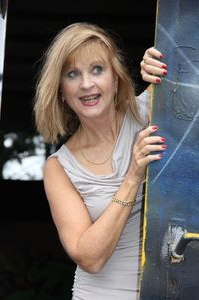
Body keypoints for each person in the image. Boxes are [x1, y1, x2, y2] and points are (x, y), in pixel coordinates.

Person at [34, 22, 167, 300]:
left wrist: (164, 64)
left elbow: (190, 73)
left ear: (115, 77)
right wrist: (133, 177)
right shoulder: (60, 168)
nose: (86, 84)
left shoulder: (153, 112)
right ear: (60, 89)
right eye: (72, 74)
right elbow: (90, 258)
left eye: (97, 69)